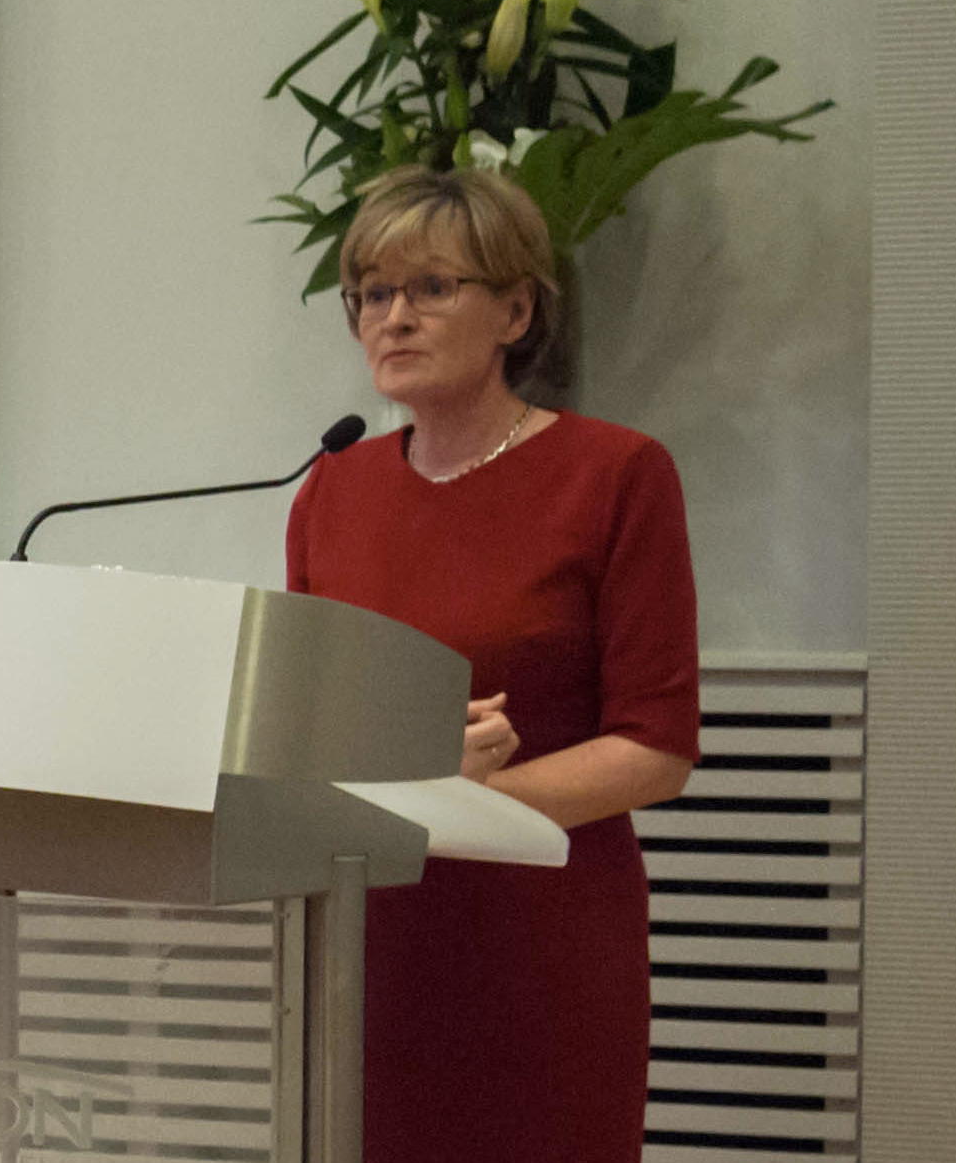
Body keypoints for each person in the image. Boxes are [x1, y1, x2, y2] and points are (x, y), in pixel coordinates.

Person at [286, 165, 700, 1163]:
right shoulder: (329, 491)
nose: (394, 317)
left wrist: (473, 801)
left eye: (431, 288)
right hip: (368, 943)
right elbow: (306, 729)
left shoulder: (615, 474)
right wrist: (405, 790)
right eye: (372, 294)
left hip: (542, 942)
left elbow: (656, 746)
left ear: (516, 308)